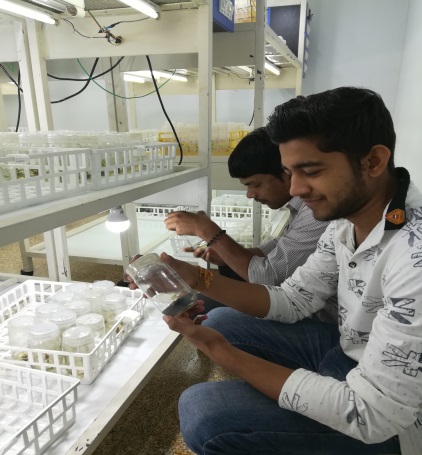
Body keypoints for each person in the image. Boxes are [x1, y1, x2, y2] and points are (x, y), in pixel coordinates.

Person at [148, 87, 421, 454]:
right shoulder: (347, 221)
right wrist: (198, 278)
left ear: (372, 161)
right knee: (221, 320)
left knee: (203, 413)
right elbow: (294, 299)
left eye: (311, 171)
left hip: (394, 423)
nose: (295, 188)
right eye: (290, 173)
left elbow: (372, 414)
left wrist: (219, 350)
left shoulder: (413, 255)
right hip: (347, 349)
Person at [164, 127, 331, 315]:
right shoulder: (301, 209)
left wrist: (207, 230)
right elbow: (280, 247)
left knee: (217, 317)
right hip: (302, 304)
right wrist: (225, 254)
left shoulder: (318, 214)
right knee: (203, 306)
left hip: (321, 316)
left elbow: (268, 277)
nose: (250, 194)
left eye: (255, 184)